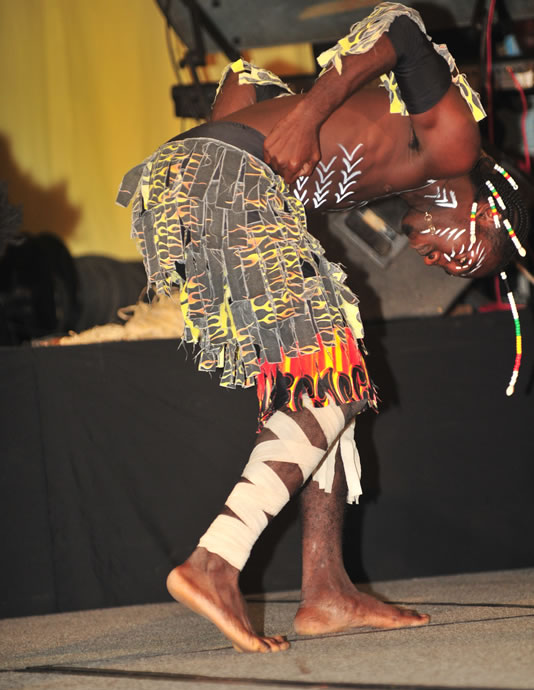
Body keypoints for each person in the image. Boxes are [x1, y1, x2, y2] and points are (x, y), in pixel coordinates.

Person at [117, 3, 529, 653]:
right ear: (483, 210)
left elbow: (242, 80)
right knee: (333, 385)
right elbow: (400, 26)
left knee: (323, 382)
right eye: (467, 254)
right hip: (226, 183)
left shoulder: (384, 150)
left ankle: (327, 589)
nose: (445, 263)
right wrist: (307, 116)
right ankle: (217, 561)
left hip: (197, 183)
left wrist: (278, 122)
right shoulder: (456, 143)